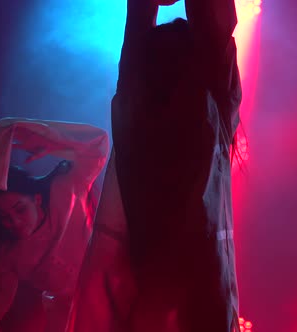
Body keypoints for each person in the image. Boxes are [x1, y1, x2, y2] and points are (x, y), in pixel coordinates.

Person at [67, 0, 242, 330]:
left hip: (154, 297)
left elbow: (138, 41)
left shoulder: (136, 117)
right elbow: (215, 31)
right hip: (196, 295)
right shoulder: (212, 116)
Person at [0, 117, 109, 332]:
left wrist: (56, 144)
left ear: (36, 198)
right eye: (5, 217)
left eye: (19, 209)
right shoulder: (7, 254)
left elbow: (98, 146)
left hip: (109, 288)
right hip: (67, 314)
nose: (14, 222)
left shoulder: (65, 190)